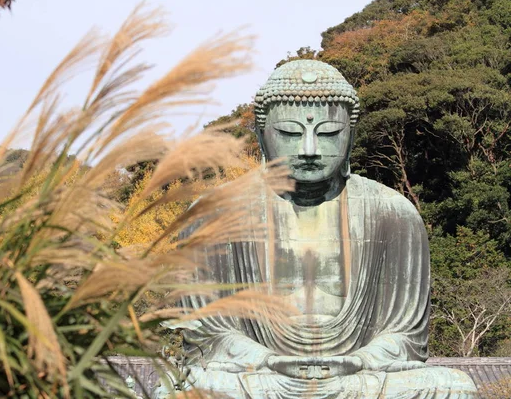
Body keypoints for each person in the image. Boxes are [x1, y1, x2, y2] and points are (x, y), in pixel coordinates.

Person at [158, 60, 477, 398]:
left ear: (351, 135)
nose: (309, 150)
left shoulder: (393, 213)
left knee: (452, 388)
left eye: (327, 134)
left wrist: (359, 361)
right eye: (290, 134)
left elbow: (405, 338)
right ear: (262, 136)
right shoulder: (214, 214)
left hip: (358, 377)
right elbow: (208, 336)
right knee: (182, 388)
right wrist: (267, 360)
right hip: (259, 376)